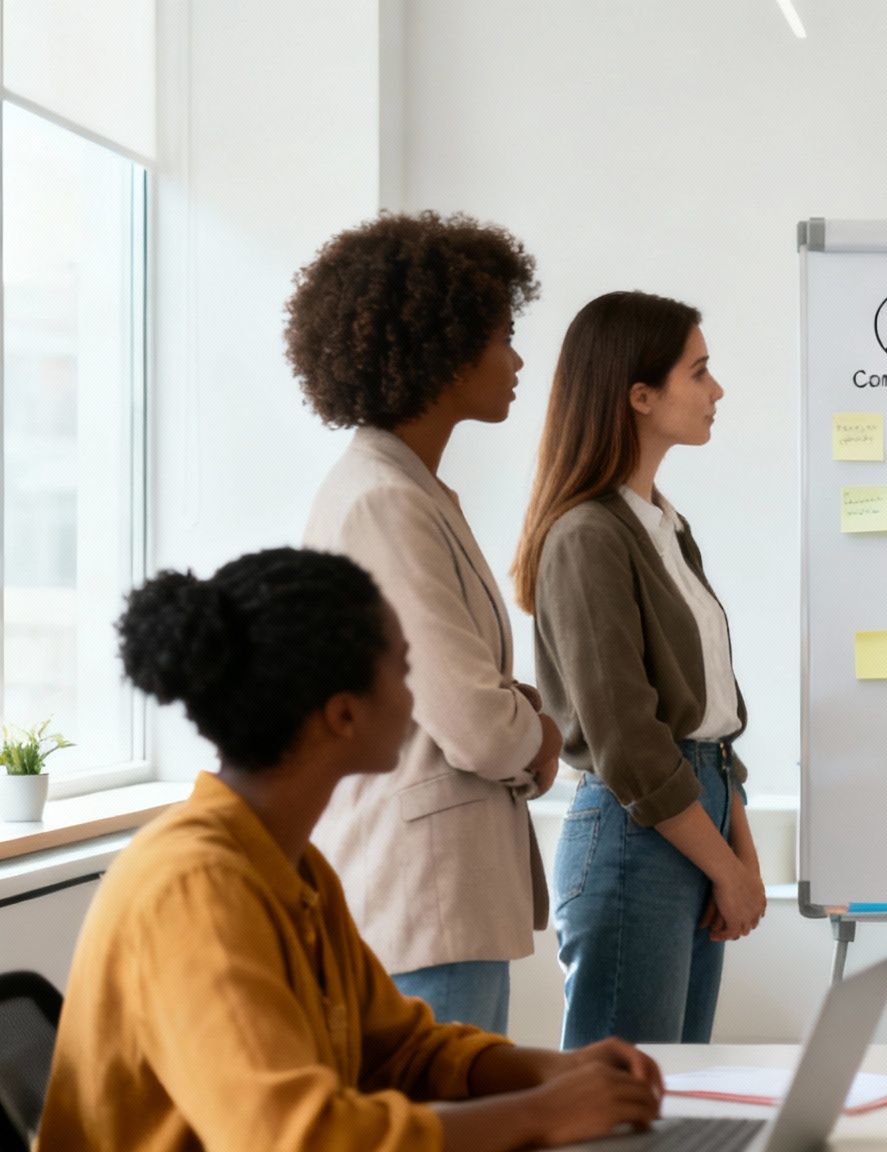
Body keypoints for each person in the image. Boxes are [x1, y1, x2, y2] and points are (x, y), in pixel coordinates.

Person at [39, 549, 666, 1151]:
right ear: (343, 715)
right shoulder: (194, 888)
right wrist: (542, 1114)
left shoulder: (291, 866)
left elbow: (401, 1051)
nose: (412, 692)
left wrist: (553, 1073)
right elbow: (298, 1140)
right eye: (401, 667)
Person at [292, 211, 561, 1031]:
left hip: (438, 901)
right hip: (421, 906)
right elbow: (475, 722)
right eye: (502, 337)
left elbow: (453, 685)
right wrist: (541, 735)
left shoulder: (404, 488)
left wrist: (504, 702)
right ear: (439, 346)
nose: (516, 360)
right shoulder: (385, 501)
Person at [511, 291, 766, 1048]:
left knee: (675, 1100)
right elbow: (628, 736)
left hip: (695, 814)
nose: (716, 390)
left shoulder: (665, 526)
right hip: (636, 836)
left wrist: (739, 854)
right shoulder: (587, 534)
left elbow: (712, 721)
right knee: (624, 1108)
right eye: (700, 372)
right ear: (641, 395)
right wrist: (724, 864)